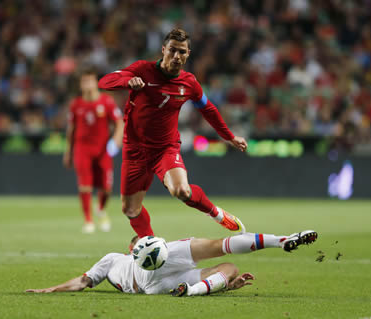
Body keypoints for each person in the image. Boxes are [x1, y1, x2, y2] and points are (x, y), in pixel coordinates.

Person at [98, 28, 248, 238]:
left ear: (188, 55)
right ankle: (151, 245)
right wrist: (127, 81)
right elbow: (103, 82)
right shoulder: (142, 69)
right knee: (130, 209)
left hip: (164, 149)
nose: (176, 56)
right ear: (163, 50)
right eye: (172, 50)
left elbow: (208, 109)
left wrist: (230, 137)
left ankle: (216, 214)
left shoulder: (189, 83)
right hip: (134, 150)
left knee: (182, 191)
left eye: (182, 52)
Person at [26, 230, 317, 296]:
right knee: (219, 247)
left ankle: (195, 291)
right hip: (162, 267)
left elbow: (83, 282)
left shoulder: (111, 261)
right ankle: (279, 241)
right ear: (133, 247)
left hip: (161, 286)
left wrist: (50, 290)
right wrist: (49, 290)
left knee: (230, 270)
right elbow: (83, 282)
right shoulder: (116, 258)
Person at [64, 68, 124, 234]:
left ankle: (100, 209)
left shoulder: (106, 102)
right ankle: (88, 220)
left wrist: (116, 141)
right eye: (84, 82)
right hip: (82, 149)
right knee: (85, 185)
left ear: (96, 83)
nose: (87, 85)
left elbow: (119, 123)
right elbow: (71, 129)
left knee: (106, 187)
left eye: (90, 81)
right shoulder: (76, 104)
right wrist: (68, 151)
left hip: (103, 150)